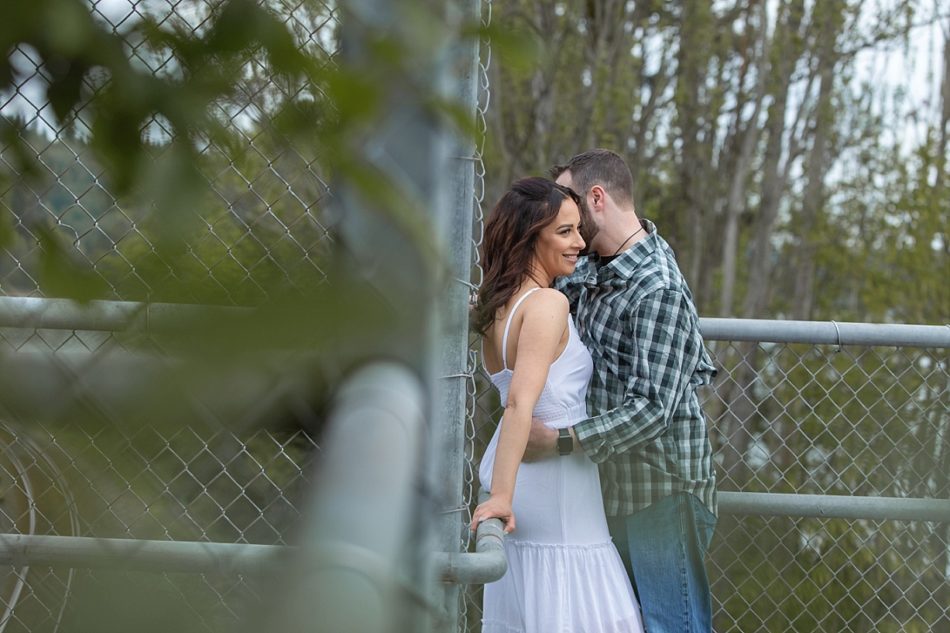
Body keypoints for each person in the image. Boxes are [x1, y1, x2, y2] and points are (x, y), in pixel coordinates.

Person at [524, 149, 719, 633]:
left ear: (596, 198)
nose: (561, 216)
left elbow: (653, 409)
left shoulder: (657, 289)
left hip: (661, 492)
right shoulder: (593, 268)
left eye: (568, 202)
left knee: (668, 625)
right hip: (606, 491)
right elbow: (537, 300)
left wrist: (562, 440)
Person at [470, 176, 645, 633]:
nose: (580, 242)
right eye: (565, 232)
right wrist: (502, 498)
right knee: (579, 610)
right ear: (532, 238)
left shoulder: (497, 304)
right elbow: (518, 404)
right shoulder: (547, 304)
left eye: (578, 229)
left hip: (531, 479)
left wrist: (504, 492)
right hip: (554, 489)